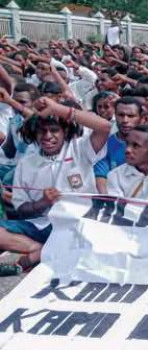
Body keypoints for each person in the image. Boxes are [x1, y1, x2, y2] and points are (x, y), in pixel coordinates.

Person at [1, 97, 110, 269]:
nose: (47, 137)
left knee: (92, 235)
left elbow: (105, 126)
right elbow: (21, 208)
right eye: (41, 131)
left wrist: (57, 108)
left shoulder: (80, 148)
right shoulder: (27, 162)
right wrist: (43, 202)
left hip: (80, 221)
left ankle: (45, 253)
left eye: (54, 131)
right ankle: (40, 249)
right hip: (44, 225)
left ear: (65, 132)